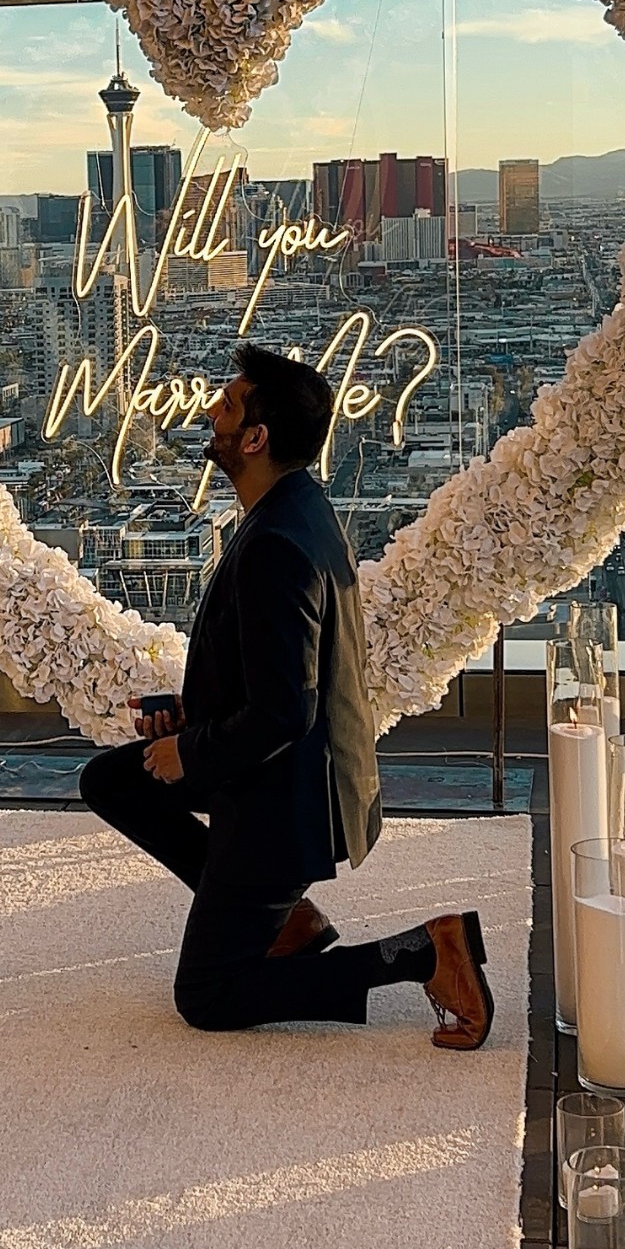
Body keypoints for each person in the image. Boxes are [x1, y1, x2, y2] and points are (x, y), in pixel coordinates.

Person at [79, 343, 494, 1046]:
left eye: (229, 404)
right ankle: (288, 920)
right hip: (280, 772)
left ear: (255, 438)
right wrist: (193, 720)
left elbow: (282, 712)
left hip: (284, 804)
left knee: (208, 996)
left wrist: (192, 752)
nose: (211, 410)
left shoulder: (277, 543)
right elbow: (277, 678)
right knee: (114, 782)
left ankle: (425, 952)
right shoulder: (295, 506)